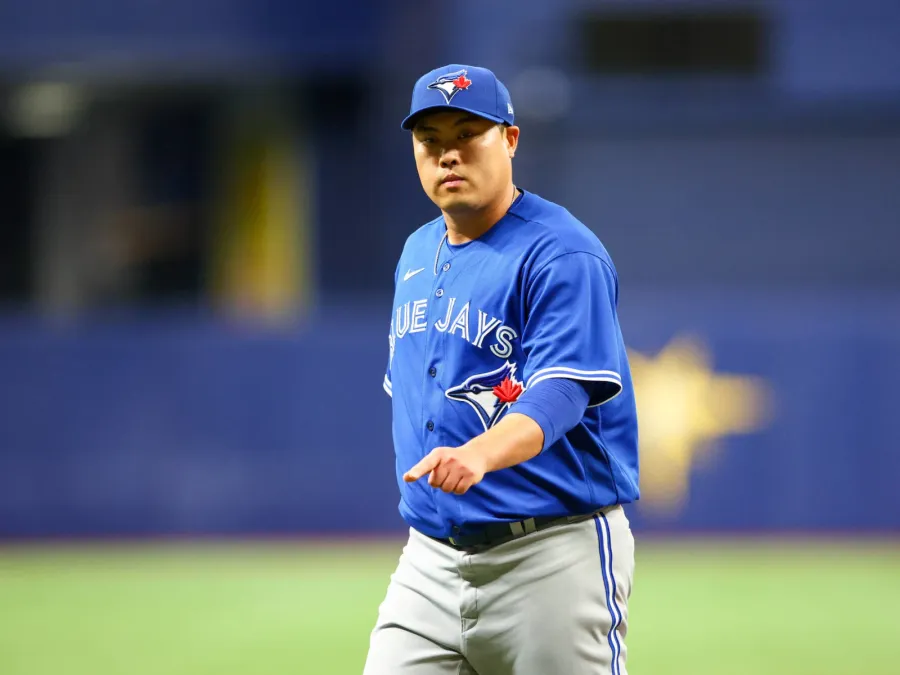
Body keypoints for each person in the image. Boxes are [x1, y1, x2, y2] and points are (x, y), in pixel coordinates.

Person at [365, 64, 640, 675]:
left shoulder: (562, 252)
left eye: (468, 135)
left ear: (510, 139)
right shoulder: (416, 251)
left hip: (550, 557)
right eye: (430, 141)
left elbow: (562, 393)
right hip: (429, 562)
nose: (448, 155)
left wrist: (480, 454)